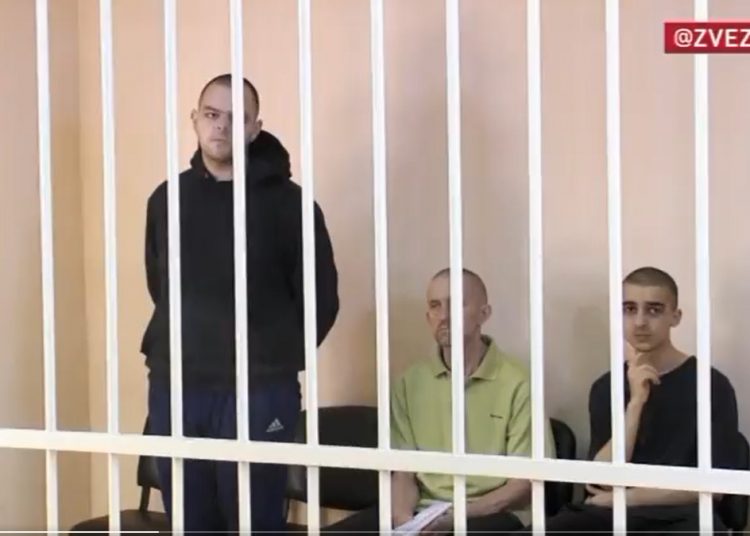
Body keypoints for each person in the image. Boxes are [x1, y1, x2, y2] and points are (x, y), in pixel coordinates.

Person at [141, 74, 339, 534]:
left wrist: (274, 356)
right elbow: (160, 284)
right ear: (194, 119)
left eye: (236, 118)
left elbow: (321, 298)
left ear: (254, 128)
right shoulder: (167, 199)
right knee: (189, 522)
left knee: (256, 522)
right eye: (212, 115)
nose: (222, 127)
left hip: (259, 387)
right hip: (177, 382)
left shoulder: (291, 206)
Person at [325, 268, 555, 535]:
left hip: (492, 514)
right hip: (424, 511)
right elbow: (404, 473)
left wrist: (456, 518)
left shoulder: (519, 383)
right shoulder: (410, 382)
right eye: (435, 306)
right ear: (428, 317)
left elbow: (524, 483)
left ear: (484, 314)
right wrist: (404, 520)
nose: (444, 316)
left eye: (456, 304)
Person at [535, 266, 739, 535]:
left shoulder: (712, 385)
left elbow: (715, 486)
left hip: (681, 518)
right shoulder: (606, 386)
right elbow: (600, 481)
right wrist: (635, 404)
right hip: (610, 515)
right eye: (629, 309)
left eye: (654, 310)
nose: (640, 322)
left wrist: (627, 498)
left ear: (675, 317)